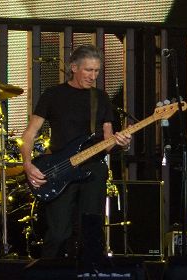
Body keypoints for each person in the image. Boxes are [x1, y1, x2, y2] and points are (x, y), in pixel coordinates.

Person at [20, 44, 132, 264]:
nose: (93, 76)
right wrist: (27, 163)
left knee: (91, 231)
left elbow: (108, 142)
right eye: (88, 70)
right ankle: (47, 274)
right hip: (60, 169)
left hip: (93, 169)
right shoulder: (53, 95)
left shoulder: (100, 98)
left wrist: (122, 143)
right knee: (59, 232)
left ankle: (90, 272)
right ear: (73, 67)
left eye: (97, 71)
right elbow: (30, 133)